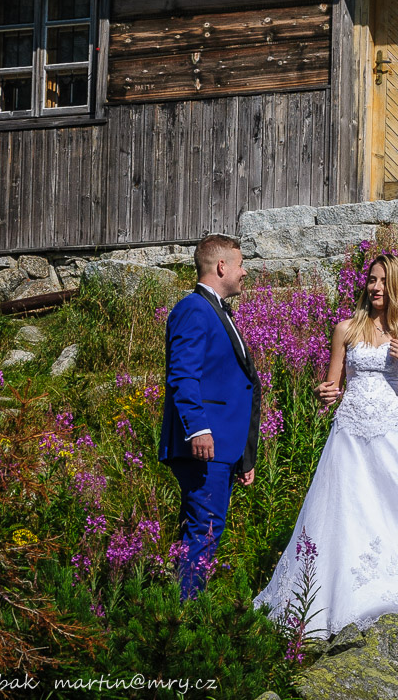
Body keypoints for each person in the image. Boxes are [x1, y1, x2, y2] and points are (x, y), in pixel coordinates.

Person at [253, 253, 398, 635]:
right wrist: (326, 395)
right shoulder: (346, 328)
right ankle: (332, 600)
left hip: (393, 433)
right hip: (349, 433)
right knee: (345, 511)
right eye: (371, 280)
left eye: (382, 281)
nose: (375, 287)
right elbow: (333, 388)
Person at [158, 234, 261, 600]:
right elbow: (182, 374)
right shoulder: (194, 309)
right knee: (205, 529)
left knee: (203, 528)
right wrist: (199, 429)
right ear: (221, 267)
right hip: (206, 445)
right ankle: (185, 614)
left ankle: (179, 605)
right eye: (240, 263)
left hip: (222, 448)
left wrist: (242, 455)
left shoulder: (215, 310)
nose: (244, 271)